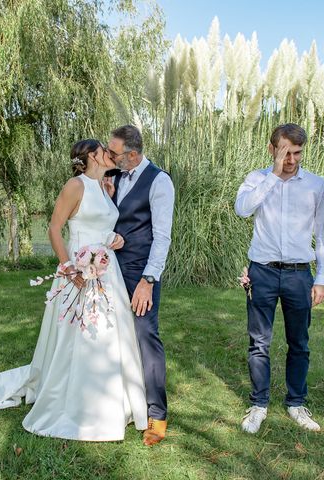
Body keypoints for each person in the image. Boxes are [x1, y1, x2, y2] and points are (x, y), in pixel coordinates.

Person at [0, 139, 148, 442]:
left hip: (106, 271)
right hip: (79, 271)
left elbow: (101, 226)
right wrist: (70, 268)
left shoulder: (104, 187)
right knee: (80, 336)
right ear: (93, 156)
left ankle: (113, 403)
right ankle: (77, 405)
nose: (110, 156)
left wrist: (116, 239)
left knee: (111, 335)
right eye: (104, 152)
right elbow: (55, 228)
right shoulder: (76, 185)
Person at [234, 123, 324, 434]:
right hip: (261, 271)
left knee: (299, 343)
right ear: (272, 149)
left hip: (299, 274)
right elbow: (242, 209)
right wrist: (273, 176)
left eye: (297, 153)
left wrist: (322, 278)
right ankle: (259, 403)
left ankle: (296, 403)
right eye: (285, 152)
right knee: (259, 342)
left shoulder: (316, 185)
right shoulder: (256, 179)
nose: (291, 159)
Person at [107, 125, 175, 446]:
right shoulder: (114, 176)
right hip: (109, 272)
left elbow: (162, 237)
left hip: (139, 274)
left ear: (132, 155)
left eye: (115, 153)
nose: (110, 156)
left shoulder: (159, 181)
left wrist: (148, 281)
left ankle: (157, 414)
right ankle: (117, 404)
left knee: (146, 336)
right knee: (112, 337)